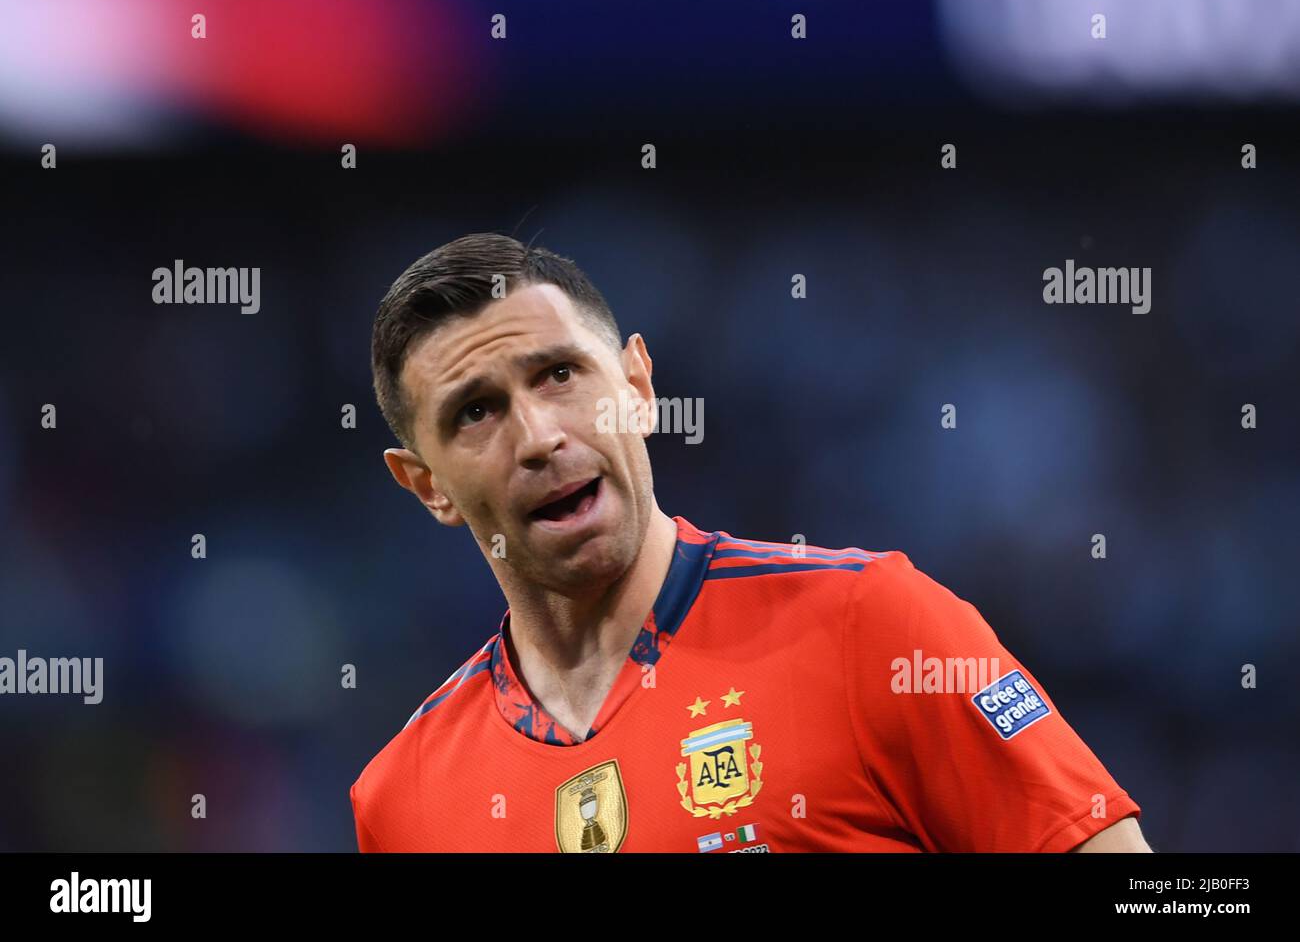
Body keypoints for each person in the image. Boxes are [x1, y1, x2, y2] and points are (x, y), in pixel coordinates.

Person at [351, 232, 1150, 853]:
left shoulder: (871, 627)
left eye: (560, 375)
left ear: (636, 388)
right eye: (476, 412)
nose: (538, 437)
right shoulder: (403, 798)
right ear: (428, 486)